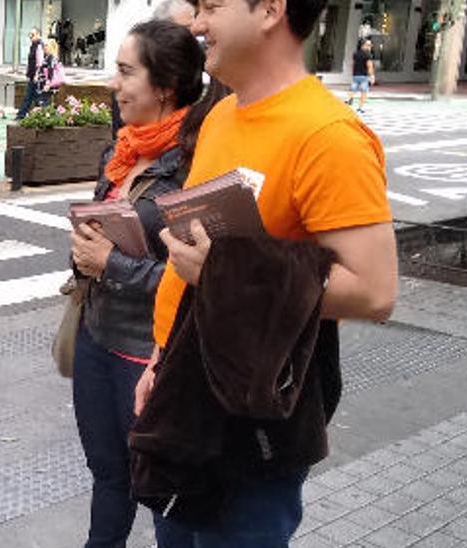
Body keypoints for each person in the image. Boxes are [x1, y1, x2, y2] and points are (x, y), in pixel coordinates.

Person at [139, 0, 397, 544]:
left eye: (211, 6)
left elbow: (375, 292)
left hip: (253, 417)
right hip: (186, 392)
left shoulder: (330, 135)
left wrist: (226, 271)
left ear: (270, 10)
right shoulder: (219, 116)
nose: (197, 23)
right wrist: (159, 362)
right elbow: (194, 271)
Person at [69, 20, 219, 548]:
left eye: (126, 71)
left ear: (165, 86)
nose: (114, 83)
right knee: (108, 476)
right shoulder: (125, 151)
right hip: (96, 338)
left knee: (161, 494)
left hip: (147, 356)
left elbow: (201, 279)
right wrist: (85, 254)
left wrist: (110, 263)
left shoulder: (197, 162)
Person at [15, 28, 44, 119]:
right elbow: (31, 61)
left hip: (36, 77)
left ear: (38, 35)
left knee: (31, 96)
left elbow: (39, 62)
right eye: (30, 35)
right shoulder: (33, 45)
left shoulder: (39, 46)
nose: (31, 37)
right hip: (33, 76)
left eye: (33, 34)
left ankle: (22, 115)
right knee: (32, 96)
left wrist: (36, 74)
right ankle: (24, 114)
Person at [348, 38, 375, 112]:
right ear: (363, 45)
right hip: (364, 76)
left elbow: (353, 64)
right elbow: (370, 66)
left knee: (352, 89)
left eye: (370, 45)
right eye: (368, 45)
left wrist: (353, 73)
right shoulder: (368, 55)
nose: (370, 47)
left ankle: (349, 99)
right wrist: (372, 76)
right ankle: (360, 108)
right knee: (364, 91)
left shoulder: (355, 53)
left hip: (355, 75)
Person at [38, 38, 66, 107]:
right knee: (46, 103)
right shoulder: (50, 57)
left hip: (48, 86)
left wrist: (48, 84)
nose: (44, 47)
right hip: (49, 86)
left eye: (46, 45)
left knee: (44, 104)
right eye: (44, 45)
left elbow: (51, 71)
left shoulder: (51, 58)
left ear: (51, 47)